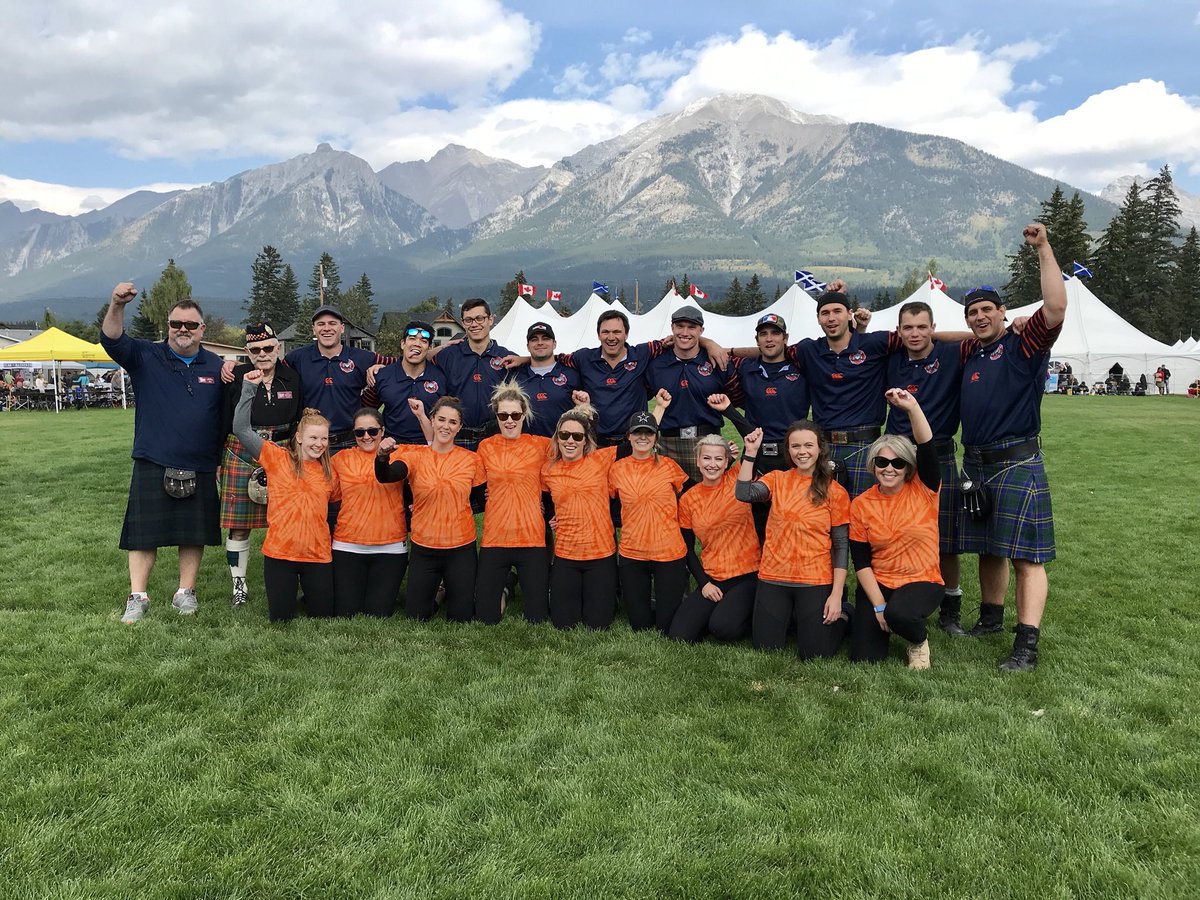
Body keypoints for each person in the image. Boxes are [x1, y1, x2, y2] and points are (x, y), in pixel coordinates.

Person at [957, 223, 1067, 672]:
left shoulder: (1025, 343)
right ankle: (990, 620)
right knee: (988, 548)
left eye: (987, 309)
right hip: (977, 462)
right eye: (973, 312)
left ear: (1004, 312)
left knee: (1026, 556)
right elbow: (934, 339)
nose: (980, 316)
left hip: (1017, 459)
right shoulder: (970, 352)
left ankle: (1027, 645)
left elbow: (1056, 307)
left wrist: (1042, 248)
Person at [101, 282, 226, 623]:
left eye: (190, 325)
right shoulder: (145, 356)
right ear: (167, 327)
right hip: (153, 458)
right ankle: (137, 596)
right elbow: (111, 339)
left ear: (202, 329)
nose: (182, 330)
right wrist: (116, 304)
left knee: (193, 534)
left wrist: (217, 459)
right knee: (144, 535)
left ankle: (185, 592)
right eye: (176, 324)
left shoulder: (216, 366)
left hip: (200, 462)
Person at [883, 301, 966, 635]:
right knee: (892, 531)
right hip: (896, 458)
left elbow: (977, 333)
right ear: (898, 331)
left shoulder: (950, 354)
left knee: (945, 538)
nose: (914, 334)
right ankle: (895, 594)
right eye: (907, 328)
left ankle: (951, 608)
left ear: (933, 328)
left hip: (939, 453)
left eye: (922, 327)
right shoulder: (890, 360)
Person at [736, 421, 851, 659]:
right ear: (788, 451)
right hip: (773, 575)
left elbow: (841, 546)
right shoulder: (777, 479)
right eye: (795, 446)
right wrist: (750, 452)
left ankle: (845, 614)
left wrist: (836, 594)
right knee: (766, 650)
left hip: (814, 578)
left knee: (815, 655)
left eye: (808, 445)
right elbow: (743, 493)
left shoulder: (835, 491)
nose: (802, 452)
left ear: (820, 448)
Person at [849, 389, 944, 669]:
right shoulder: (862, 504)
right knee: (864, 658)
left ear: (908, 467)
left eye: (898, 463)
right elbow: (861, 561)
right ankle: (864, 616)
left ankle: (918, 641)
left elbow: (927, 445)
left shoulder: (925, 489)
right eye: (882, 462)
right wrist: (878, 605)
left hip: (921, 579)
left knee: (900, 615)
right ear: (873, 465)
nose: (889, 468)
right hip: (880, 582)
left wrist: (912, 407)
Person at [233, 371, 337, 622]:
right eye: (313, 437)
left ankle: (309, 594)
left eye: (323, 438)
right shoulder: (277, 458)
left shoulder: (330, 471)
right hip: (281, 554)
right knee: (281, 618)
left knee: (322, 616)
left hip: (317, 555)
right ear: (299, 438)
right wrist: (249, 387)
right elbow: (241, 428)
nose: (319, 444)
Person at [375, 397, 486, 621]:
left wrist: (449, 507)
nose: (446, 426)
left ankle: (450, 590)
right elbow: (386, 476)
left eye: (453, 422)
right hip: (424, 546)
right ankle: (438, 593)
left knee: (461, 617)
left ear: (459, 427)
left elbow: (480, 500)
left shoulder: (472, 460)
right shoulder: (415, 455)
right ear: (432, 421)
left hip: (460, 546)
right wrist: (382, 456)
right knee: (416, 616)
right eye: (441, 419)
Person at [218, 323, 304, 608]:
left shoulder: (292, 377)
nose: (263, 354)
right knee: (239, 526)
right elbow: (220, 418)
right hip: (241, 451)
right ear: (247, 352)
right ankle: (238, 584)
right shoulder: (235, 377)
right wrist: (217, 460)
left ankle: (291, 578)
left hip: (282, 451)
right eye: (256, 350)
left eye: (268, 348)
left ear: (277, 347)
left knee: (288, 522)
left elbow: (299, 419)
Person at [669, 431, 761, 644]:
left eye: (719, 458)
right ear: (698, 462)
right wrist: (704, 584)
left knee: (723, 628)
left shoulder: (739, 478)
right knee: (680, 635)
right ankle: (724, 608)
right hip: (713, 577)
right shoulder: (689, 499)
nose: (712, 464)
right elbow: (688, 549)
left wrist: (749, 446)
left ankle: (750, 611)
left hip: (747, 575)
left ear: (727, 461)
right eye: (707, 458)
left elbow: (754, 450)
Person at [474, 381, 553, 624]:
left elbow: (561, 477)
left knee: (537, 617)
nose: (509, 420)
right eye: (503, 415)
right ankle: (506, 585)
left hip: (531, 539)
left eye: (515, 415)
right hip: (496, 537)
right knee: (487, 617)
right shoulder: (486, 447)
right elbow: (476, 486)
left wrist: (547, 508)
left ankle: (518, 583)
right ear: (496, 417)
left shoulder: (542, 445)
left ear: (524, 414)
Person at [541, 404, 624, 629]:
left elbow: (637, 443)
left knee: (597, 623)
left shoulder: (600, 460)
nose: (570, 441)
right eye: (564, 435)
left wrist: (661, 408)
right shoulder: (548, 470)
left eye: (577, 436)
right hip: (566, 554)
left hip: (600, 553)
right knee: (563, 623)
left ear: (586, 440)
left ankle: (610, 594)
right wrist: (552, 517)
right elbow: (545, 500)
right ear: (557, 438)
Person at [609, 399, 688, 633]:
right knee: (639, 625)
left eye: (648, 433)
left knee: (666, 626)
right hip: (633, 551)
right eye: (637, 433)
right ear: (629, 437)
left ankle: (668, 602)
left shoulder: (670, 467)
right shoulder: (617, 469)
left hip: (668, 551)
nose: (643, 437)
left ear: (656, 437)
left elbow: (693, 496)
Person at [645, 305, 742, 481]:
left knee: (708, 500)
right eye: (680, 326)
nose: (685, 332)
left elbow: (738, 399)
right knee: (669, 500)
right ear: (672, 328)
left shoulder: (716, 360)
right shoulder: (656, 364)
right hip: (668, 443)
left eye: (691, 327)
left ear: (701, 330)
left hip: (707, 440)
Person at [329, 407, 409, 617]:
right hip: (348, 544)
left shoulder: (401, 454)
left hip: (390, 546)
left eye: (372, 431)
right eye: (359, 432)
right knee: (346, 611)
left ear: (383, 431)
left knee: (379, 612)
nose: (366, 436)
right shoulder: (340, 459)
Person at [281, 306, 392, 452]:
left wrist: (381, 367)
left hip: (350, 441)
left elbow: (402, 366)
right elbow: (272, 372)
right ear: (314, 329)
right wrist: (240, 369)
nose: (327, 328)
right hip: (312, 443)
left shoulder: (362, 357)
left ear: (342, 328)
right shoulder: (297, 358)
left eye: (332, 323)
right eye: (321, 324)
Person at [428, 299, 514, 449]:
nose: (474, 324)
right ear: (463, 323)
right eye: (468, 320)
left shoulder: (507, 358)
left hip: (495, 437)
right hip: (458, 438)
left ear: (490, 319)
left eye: (480, 318)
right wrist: (380, 365)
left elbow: (539, 364)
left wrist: (526, 359)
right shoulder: (448, 356)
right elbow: (415, 361)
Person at [359, 321, 447, 446]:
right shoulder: (383, 376)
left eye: (423, 341)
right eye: (412, 339)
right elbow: (366, 412)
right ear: (402, 344)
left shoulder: (441, 377)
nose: (417, 344)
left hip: (429, 447)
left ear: (430, 348)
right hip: (393, 447)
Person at [508, 321, 584, 438]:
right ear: (528, 346)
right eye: (534, 339)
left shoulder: (572, 374)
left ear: (554, 344)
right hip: (527, 449)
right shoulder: (515, 377)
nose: (540, 343)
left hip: (563, 446)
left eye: (545, 338)